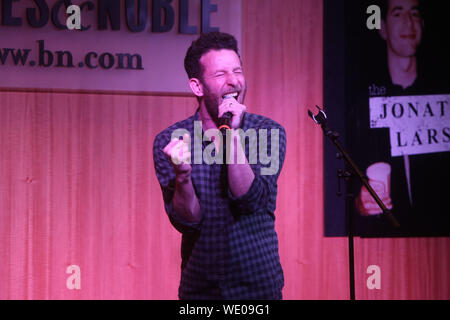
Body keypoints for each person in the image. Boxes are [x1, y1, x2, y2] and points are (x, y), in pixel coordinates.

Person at [153, 32, 286, 299]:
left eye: (237, 70)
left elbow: (248, 200)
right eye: (220, 74)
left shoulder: (268, 131)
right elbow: (187, 221)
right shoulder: (171, 140)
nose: (233, 81)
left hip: (258, 287)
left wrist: (232, 134)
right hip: (201, 290)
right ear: (197, 86)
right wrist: (182, 175)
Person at [353, 0, 450, 235]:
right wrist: (361, 204)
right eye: (398, 13)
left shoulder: (441, 96)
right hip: (385, 240)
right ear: (383, 28)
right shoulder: (361, 104)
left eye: (414, 13)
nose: (408, 22)